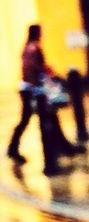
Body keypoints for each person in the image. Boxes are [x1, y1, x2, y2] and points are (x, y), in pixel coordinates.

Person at [6, 23, 78, 166]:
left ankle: (63, 146)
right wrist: (49, 80)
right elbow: (36, 68)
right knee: (36, 118)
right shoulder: (34, 48)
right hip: (33, 90)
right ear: (37, 33)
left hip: (27, 88)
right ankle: (14, 148)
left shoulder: (27, 47)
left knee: (46, 117)